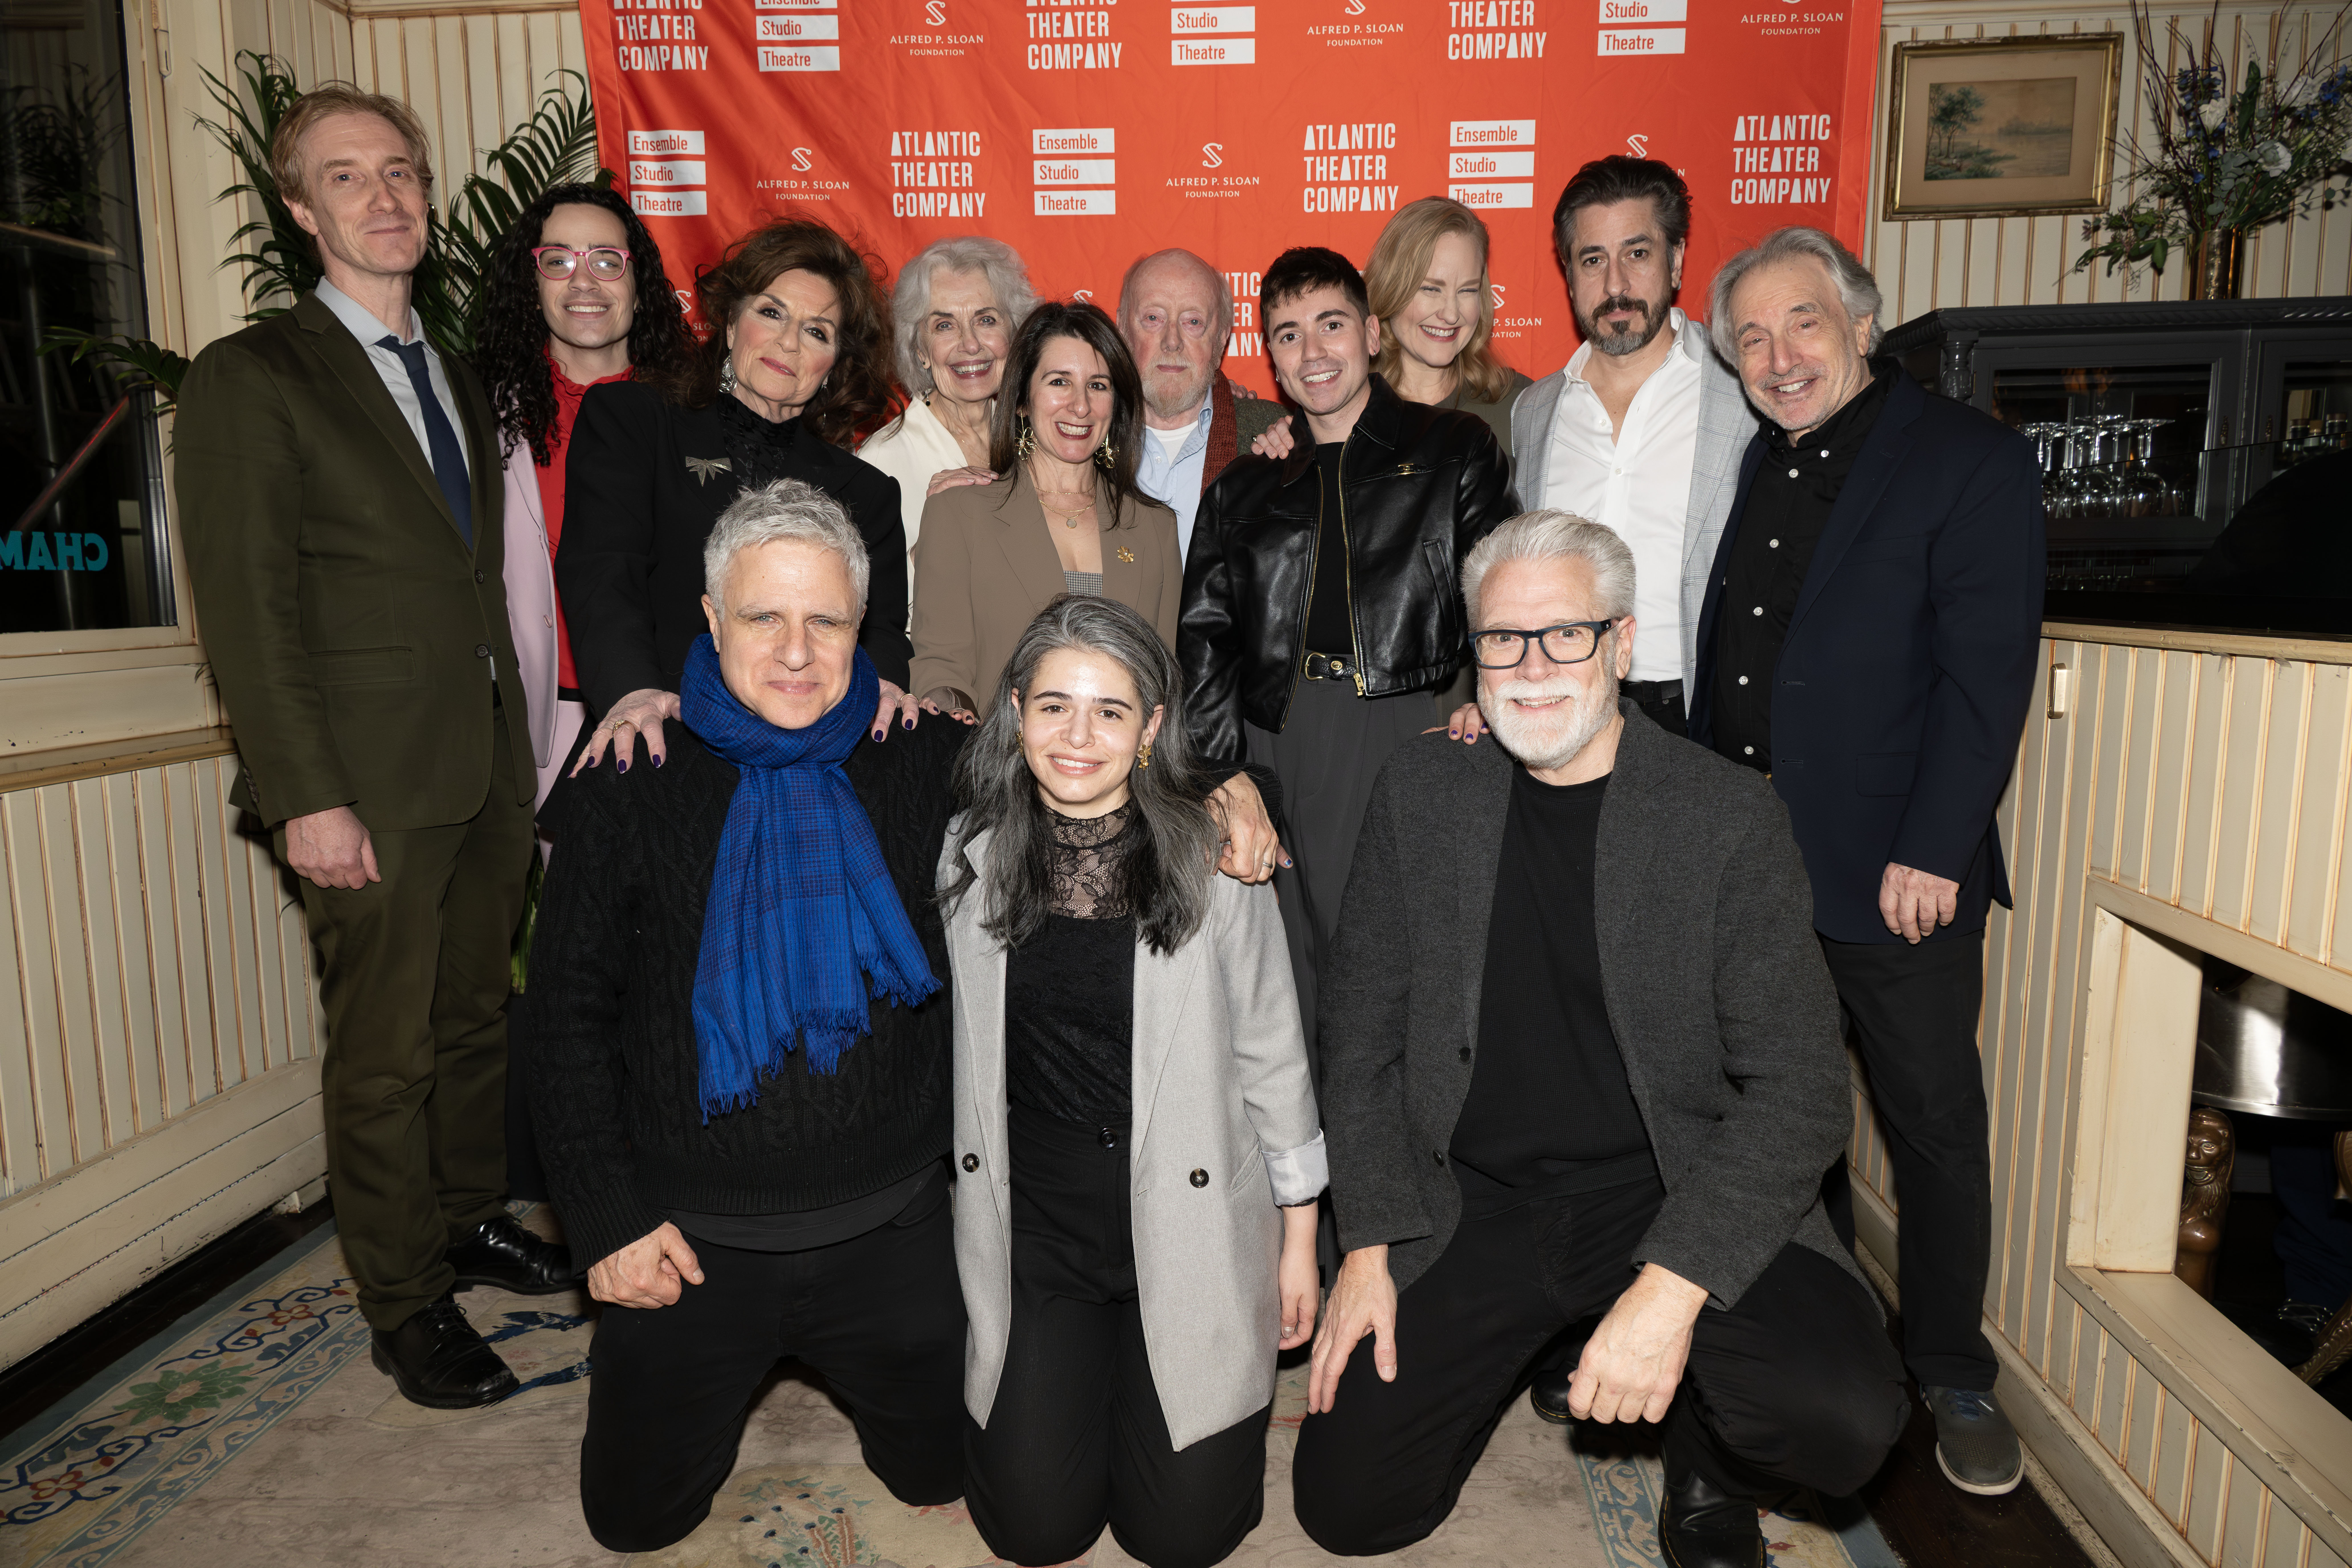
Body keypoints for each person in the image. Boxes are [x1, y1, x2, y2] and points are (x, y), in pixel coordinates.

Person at [1289, 512, 1907, 1568]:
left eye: (1564, 635)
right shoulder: (1422, 791)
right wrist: (1371, 1245)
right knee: (1349, 1509)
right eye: (1501, 640)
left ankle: (1706, 1454)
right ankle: (1556, 1334)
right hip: (1473, 1200)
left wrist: (1670, 1292)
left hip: (1667, 1184)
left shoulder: (1722, 817)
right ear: (1470, 652)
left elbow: (1801, 1087)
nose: (1531, 668)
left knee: (1839, 1417)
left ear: (1621, 644)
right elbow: (1359, 1038)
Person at [174, 83, 577, 1413]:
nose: (387, 196)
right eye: (347, 178)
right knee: (384, 1043)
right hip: (364, 788)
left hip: (479, 775)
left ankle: (462, 1218)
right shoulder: (254, 377)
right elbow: (247, 607)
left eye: (401, 170)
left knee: (472, 1020)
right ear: (300, 212)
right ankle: (403, 1303)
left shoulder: (453, 373)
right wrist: (307, 796)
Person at [524, 481, 968, 1552]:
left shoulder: (920, 762)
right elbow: (563, 1020)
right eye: (763, 616)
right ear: (711, 619)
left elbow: (1084, 792)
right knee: (632, 1523)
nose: (797, 651)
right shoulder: (629, 777)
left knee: (952, 1482)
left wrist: (1224, 785)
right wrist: (608, 1221)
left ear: (864, 631)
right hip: (689, 1243)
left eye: (826, 621)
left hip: (894, 1232)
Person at [1689, 225, 2045, 1497]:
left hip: (1897, 877)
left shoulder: (1968, 460)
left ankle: (1953, 1369)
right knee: (1781, 1123)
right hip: (1755, 871)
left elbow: (1986, 674)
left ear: (1860, 324)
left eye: (1802, 325)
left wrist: (1934, 847)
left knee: (1935, 1127)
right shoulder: (1758, 459)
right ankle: (1824, 1341)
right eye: (1753, 339)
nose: (1780, 357)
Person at [941, 597, 1324, 1568]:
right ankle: (1076, 1374)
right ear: (1015, 708)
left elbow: (1274, 1055)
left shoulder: (1214, 858)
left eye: (1110, 710)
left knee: (1181, 1539)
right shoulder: (964, 855)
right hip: (1041, 1227)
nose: (1078, 737)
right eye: (1054, 705)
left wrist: (1298, 1241)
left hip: (1189, 1215)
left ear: (1152, 727)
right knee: (1035, 1531)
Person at [1179, 245, 1517, 1063]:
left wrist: (1482, 695)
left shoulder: (1455, 448)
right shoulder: (1243, 489)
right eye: (1289, 336)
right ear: (1272, 356)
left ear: (1370, 333)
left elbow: (1504, 587)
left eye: (1331, 325)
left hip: (1410, 722)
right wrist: (1225, 777)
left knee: (1410, 964)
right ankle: (1317, 1174)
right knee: (1291, 975)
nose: (1313, 351)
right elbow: (1205, 641)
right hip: (1279, 735)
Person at [559, 217, 912, 771]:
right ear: (730, 322)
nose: (788, 342)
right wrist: (632, 694)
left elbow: (882, 630)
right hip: (662, 744)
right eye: (772, 313)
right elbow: (602, 573)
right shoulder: (634, 423)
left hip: (813, 760)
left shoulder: (866, 492)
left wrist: (885, 688)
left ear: (835, 367)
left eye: (817, 331)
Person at [1502, 157, 1757, 739]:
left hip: (1697, 715)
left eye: (1637, 254)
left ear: (1677, 261)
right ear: (1568, 276)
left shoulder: (1740, 392)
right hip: (1562, 713)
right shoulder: (1535, 412)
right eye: (1593, 260)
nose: (1615, 285)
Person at [474, 184, 693, 811]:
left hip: (673, 711)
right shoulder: (479, 413)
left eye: (606, 260)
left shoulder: (695, 413)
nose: (584, 282)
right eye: (558, 260)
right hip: (536, 719)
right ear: (532, 280)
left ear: (638, 280)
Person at [909, 301, 1180, 721]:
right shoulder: (959, 514)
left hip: (1123, 780)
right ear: (1021, 400)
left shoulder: (1155, 528)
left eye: (1099, 385)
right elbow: (941, 668)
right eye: (1059, 382)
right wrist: (951, 713)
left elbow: (1164, 685)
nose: (1080, 406)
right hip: (1000, 772)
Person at [858, 236, 1037, 584]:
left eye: (986, 320)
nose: (970, 344)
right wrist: (934, 545)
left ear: (1014, 335)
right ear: (920, 351)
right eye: (945, 325)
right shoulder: (881, 462)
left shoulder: (1042, 437)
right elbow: (865, 601)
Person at [1115, 248, 1287, 560]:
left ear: (1221, 339)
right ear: (1124, 330)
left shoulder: (1276, 438)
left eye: (1193, 322)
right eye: (1153, 319)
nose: (1172, 341)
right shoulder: (1082, 432)